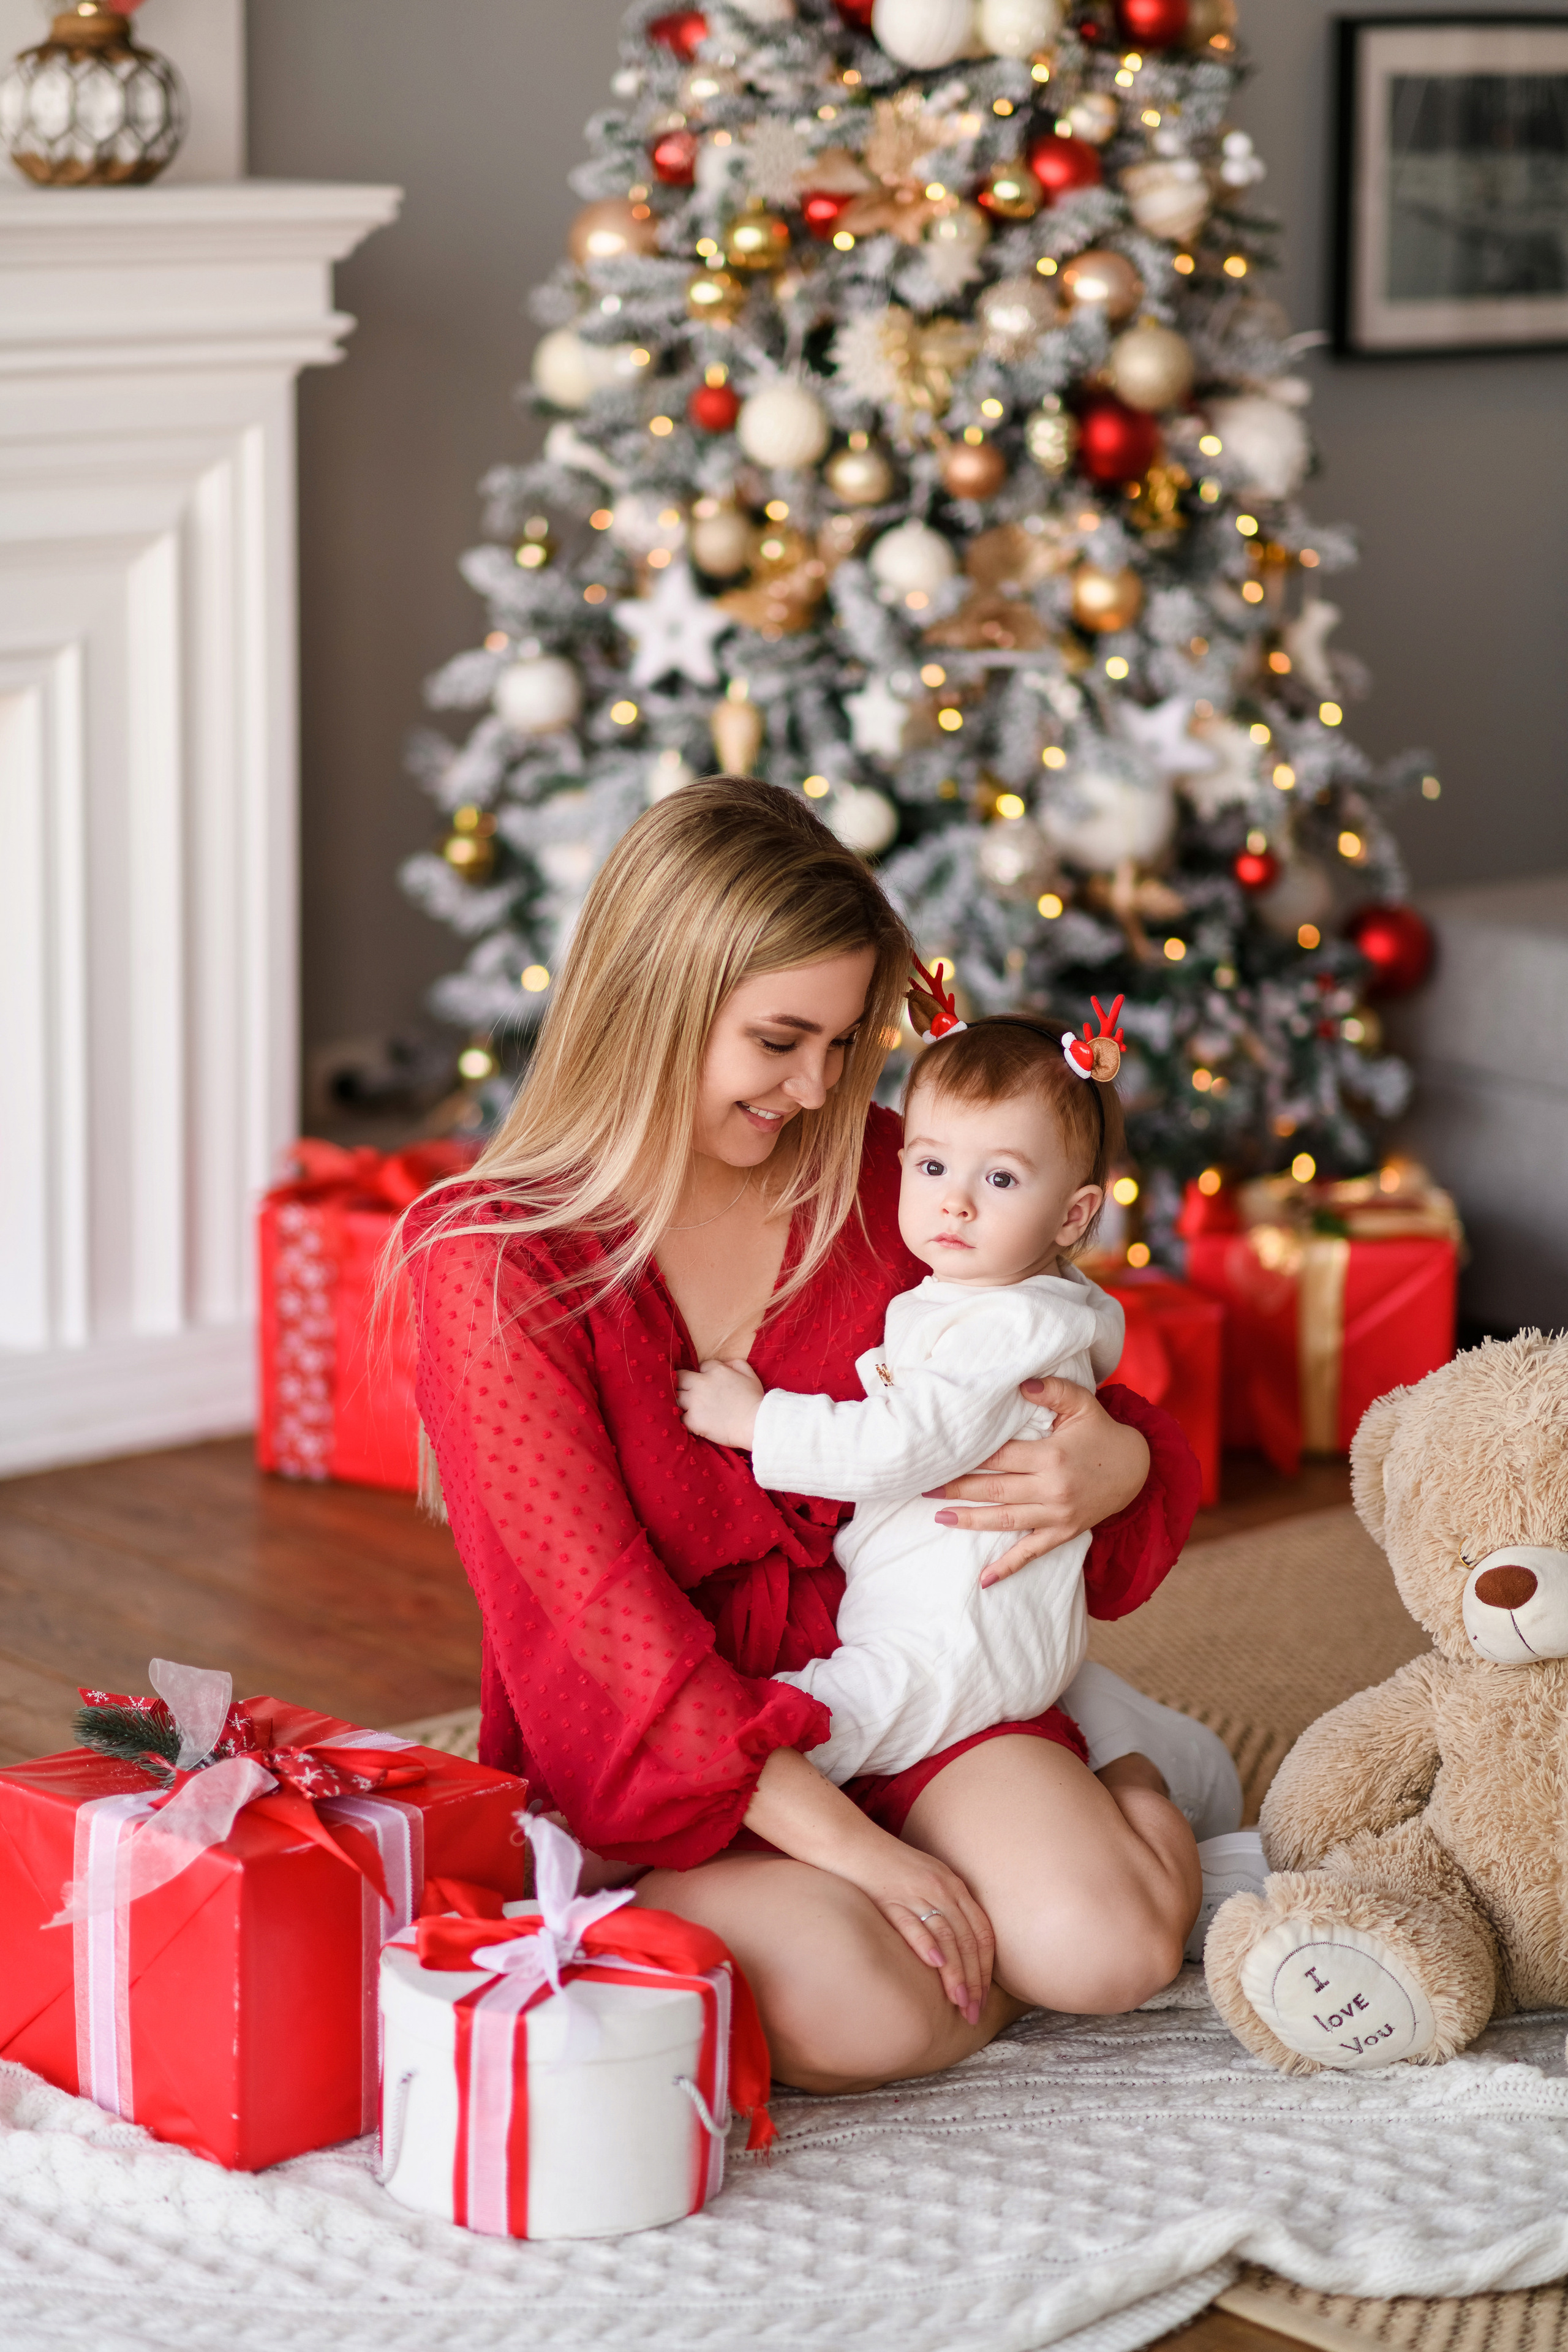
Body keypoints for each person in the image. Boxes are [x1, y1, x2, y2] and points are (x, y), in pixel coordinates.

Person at [403, 777, 1235, 2097]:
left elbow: (1045, 1345)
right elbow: (607, 1633)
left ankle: (1108, 1777)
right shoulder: (492, 1267)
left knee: (1116, 1947)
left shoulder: (882, 1170)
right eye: (780, 1040)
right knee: (872, 2012)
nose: (816, 1087)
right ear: (654, 1002)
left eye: (846, 1044)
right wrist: (864, 1855)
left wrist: (1112, 1465)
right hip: (683, 1755)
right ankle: (995, 1861)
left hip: (903, 1671)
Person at [675, 1011, 1130, 1785]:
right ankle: (1137, 1771)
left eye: (999, 1179)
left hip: (953, 1637)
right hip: (936, 1622)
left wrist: (758, 1422)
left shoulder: (1010, 1322)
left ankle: (1154, 1793)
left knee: (799, 1734)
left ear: (1073, 1214)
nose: (955, 1203)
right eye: (929, 1168)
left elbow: (897, 1447)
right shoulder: (984, 1294)